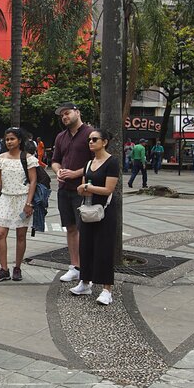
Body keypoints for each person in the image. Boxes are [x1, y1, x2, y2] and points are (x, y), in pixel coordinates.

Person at [69, 129, 119, 305]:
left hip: (104, 210)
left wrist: (87, 188)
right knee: (86, 246)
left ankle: (107, 289)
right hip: (87, 209)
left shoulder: (112, 162)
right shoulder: (89, 162)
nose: (91, 142)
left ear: (104, 142)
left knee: (104, 248)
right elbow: (82, 184)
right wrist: (83, 188)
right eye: (90, 139)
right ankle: (85, 282)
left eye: (95, 139)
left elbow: (108, 189)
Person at [51, 102, 94, 283]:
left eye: (67, 113)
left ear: (77, 112)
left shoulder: (91, 134)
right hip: (64, 189)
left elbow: (98, 161)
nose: (65, 117)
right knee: (70, 228)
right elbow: (55, 160)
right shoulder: (61, 136)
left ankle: (87, 268)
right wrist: (58, 171)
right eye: (62, 115)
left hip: (83, 190)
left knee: (85, 229)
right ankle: (74, 266)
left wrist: (76, 173)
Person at [0, 127, 37, 283]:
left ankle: (17, 267)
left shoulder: (28, 158)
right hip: (6, 199)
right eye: (7, 139)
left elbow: (33, 181)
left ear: (19, 140)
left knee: (20, 235)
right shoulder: (1, 158)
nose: (9, 142)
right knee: (0, 233)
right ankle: (4, 269)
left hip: (23, 200)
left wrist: (29, 203)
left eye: (12, 139)